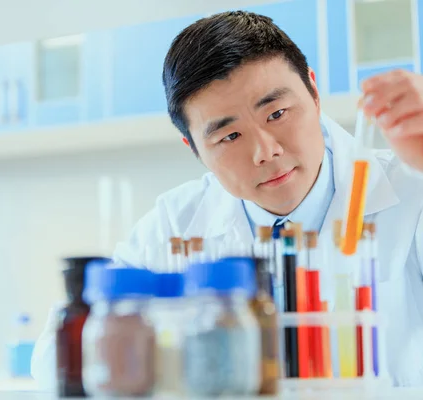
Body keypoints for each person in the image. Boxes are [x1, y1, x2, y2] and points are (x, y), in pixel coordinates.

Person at [31, 11, 423, 388]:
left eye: (277, 113)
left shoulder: (412, 186)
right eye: (229, 136)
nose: (265, 151)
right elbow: (56, 358)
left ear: (315, 93)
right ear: (194, 148)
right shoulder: (175, 224)